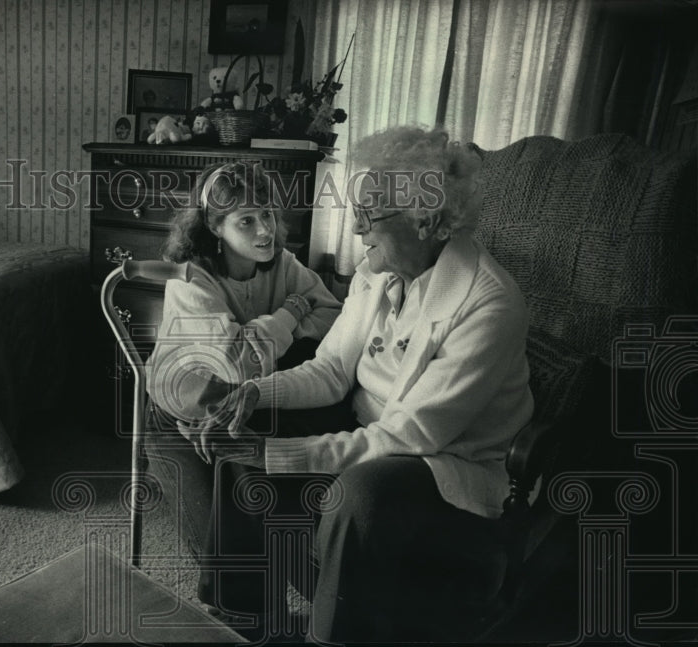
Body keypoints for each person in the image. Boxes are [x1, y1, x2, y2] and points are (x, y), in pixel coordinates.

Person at [188, 126, 535, 641]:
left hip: (447, 464)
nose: (356, 230)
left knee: (361, 492)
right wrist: (255, 392)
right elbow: (330, 370)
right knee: (248, 422)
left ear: (428, 222)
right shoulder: (378, 272)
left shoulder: (489, 302)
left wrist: (276, 455)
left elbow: (410, 438)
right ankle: (241, 616)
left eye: (370, 215)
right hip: (369, 428)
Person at [144, 160, 343, 631]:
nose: (264, 230)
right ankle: (249, 620)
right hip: (179, 414)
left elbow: (334, 314)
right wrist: (290, 315)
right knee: (224, 541)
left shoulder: (285, 265)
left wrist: (271, 331)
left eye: (268, 215)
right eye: (245, 220)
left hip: (246, 407)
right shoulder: (191, 280)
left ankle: (264, 613)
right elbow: (233, 363)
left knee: (253, 508)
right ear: (214, 227)